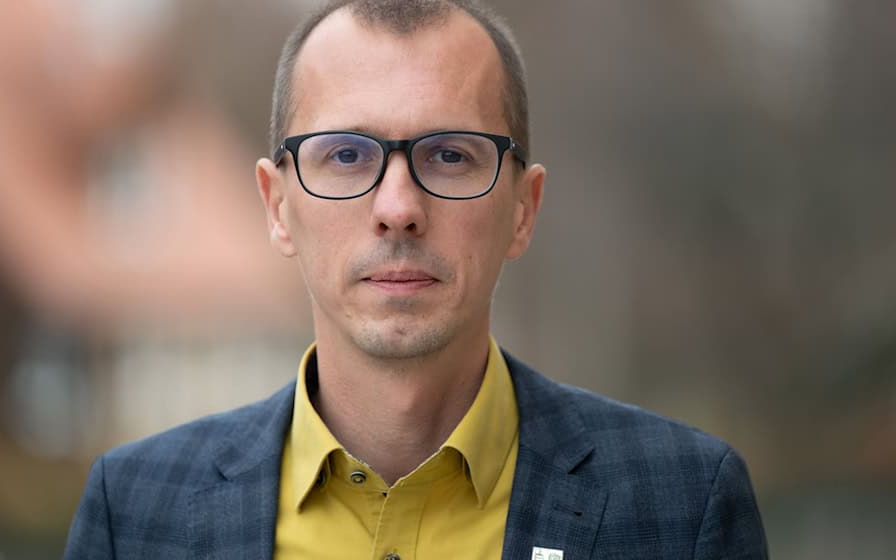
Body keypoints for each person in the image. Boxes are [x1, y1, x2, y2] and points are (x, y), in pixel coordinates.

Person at [64, 1, 769, 558]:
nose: (398, 209)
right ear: (277, 207)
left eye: (450, 156)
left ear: (523, 209)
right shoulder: (134, 513)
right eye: (345, 155)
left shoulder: (684, 509)